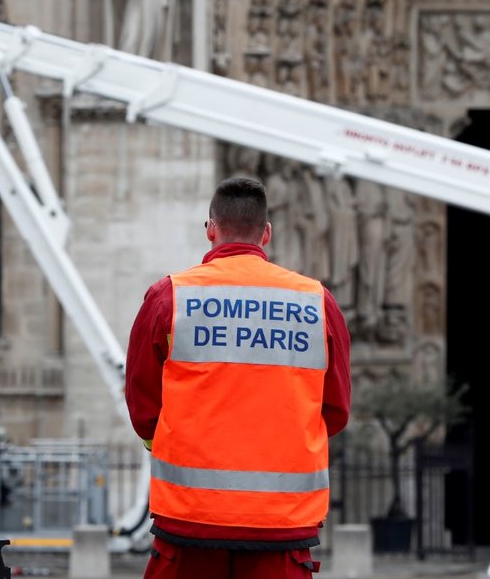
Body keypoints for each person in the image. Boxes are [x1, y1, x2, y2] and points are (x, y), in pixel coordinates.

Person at [126, 177, 352, 578]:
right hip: (282, 526)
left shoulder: (169, 297)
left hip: (189, 522)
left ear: (211, 228)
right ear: (266, 234)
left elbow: (143, 408)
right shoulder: (316, 301)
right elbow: (335, 411)